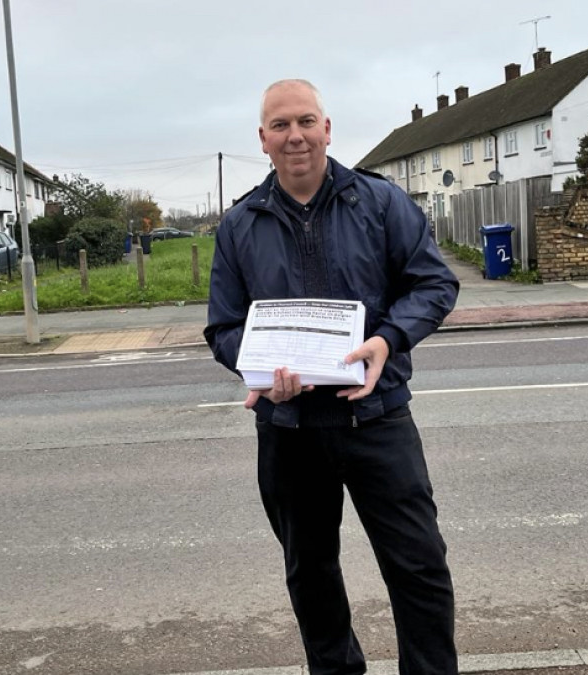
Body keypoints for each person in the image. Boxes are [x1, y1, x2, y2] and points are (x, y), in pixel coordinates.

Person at [205, 79, 459, 675]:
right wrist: (261, 369)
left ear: (327, 128)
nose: (295, 136)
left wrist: (387, 339)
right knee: (311, 572)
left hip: (377, 416)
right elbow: (223, 328)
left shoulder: (381, 202)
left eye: (306, 121)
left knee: (419, 565)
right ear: (263, 140)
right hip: (289, 427)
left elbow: (434, 284)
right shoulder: (240, 224)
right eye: (280, 125)